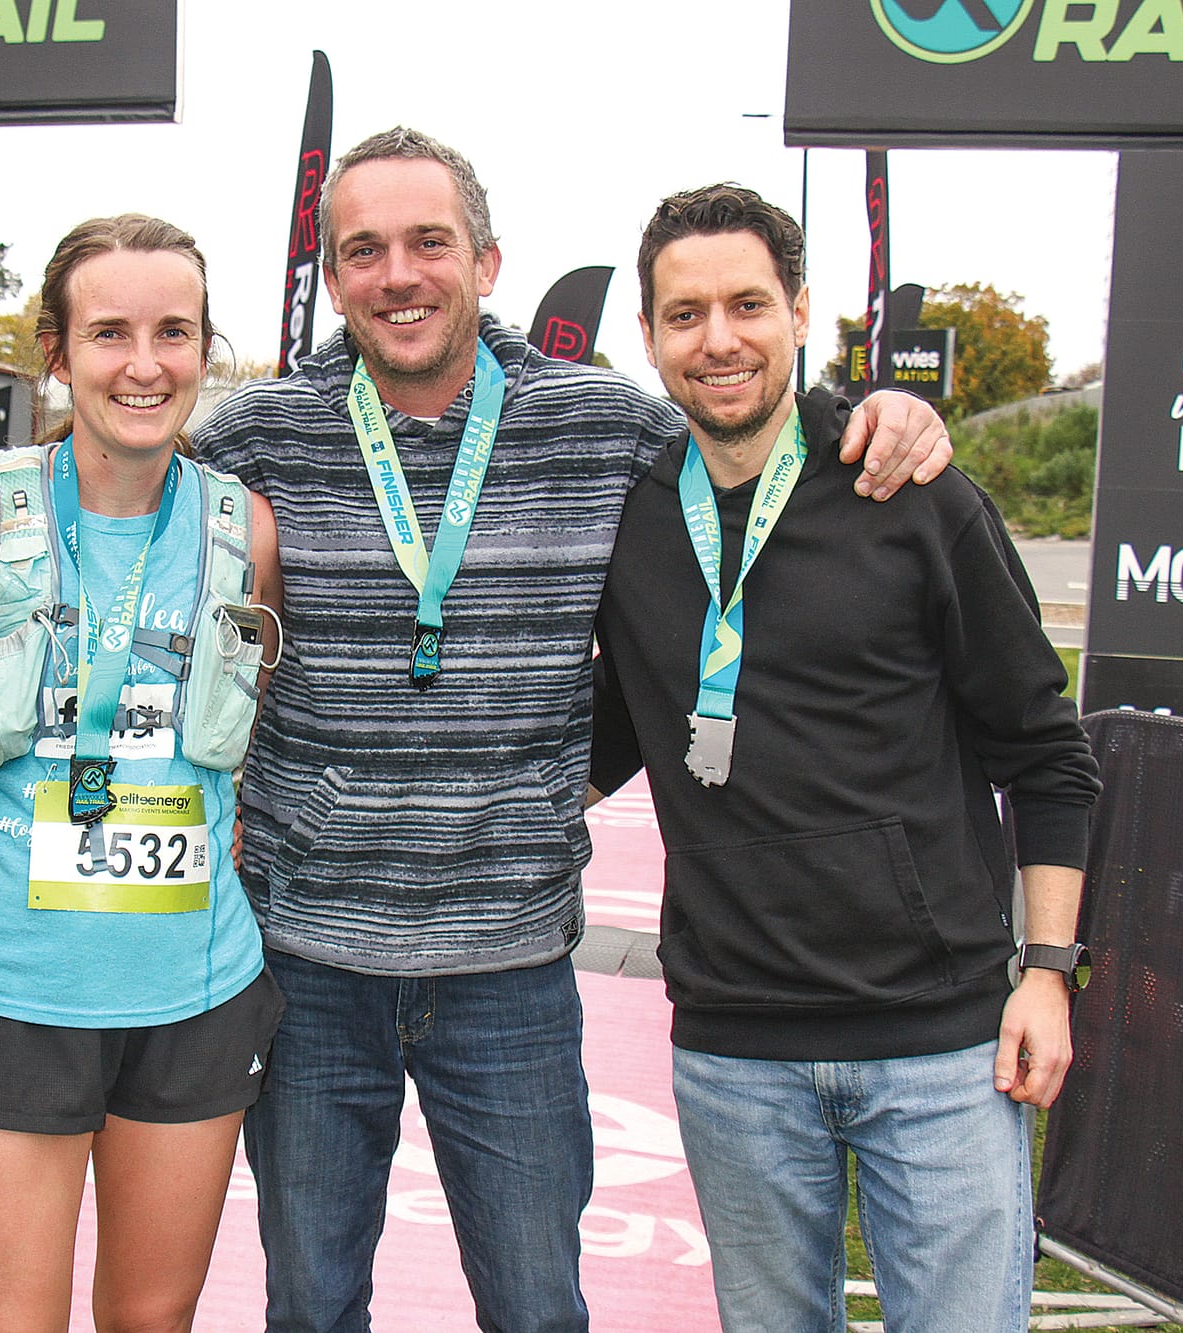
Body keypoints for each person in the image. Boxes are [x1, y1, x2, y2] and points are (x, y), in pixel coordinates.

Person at [189, 126, 958, 1333]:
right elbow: (116, 508)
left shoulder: (599, 424)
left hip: (509, 967)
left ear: (486, 262)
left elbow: (756, 447)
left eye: (429, 242)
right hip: (307, 960)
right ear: (331, 278)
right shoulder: (255, 436)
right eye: (364, 251)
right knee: (311, 1305)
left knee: (539, 1309)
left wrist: (879, 413)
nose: (398, 274)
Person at [588, 183, 1102, 1332]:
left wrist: (1045, 972)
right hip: (734, 1053)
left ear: (799, 311)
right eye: (684, 315)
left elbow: (1043, 755)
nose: (717, 340)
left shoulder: (907, 489)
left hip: (940, 1044)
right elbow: (609, 735)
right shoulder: (629, 520)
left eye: (745, 305)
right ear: (649, 336)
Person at [0, 214, 285, 1333]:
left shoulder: (246, 526)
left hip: (195, 991)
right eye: (109, 332)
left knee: (151, 1321)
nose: (143, 364)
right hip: (9, 990)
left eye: (173, 332)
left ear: (204, 349)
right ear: (57, 352)